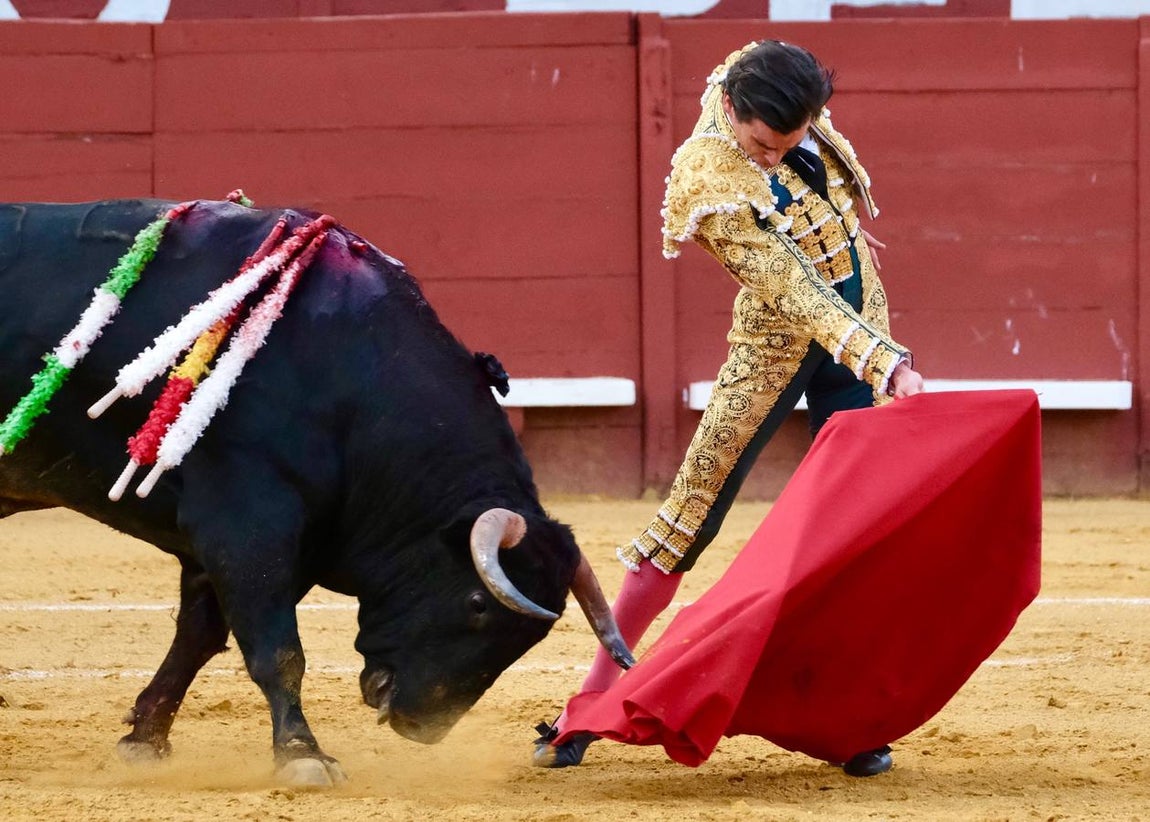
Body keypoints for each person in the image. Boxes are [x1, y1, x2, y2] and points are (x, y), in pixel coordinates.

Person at [532, 39, 925, 777]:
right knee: (689, 514)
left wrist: (865, 308)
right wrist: (887, 361)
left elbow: (827, 211)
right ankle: (586, 706)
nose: (775, 155)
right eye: (761, 144)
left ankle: (845, 717)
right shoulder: (707, 179)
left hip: (862, 318)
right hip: (779, 343)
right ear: (735, 119)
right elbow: (793, 290)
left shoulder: (768, 82)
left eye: (792, 141)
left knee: (854, 527)